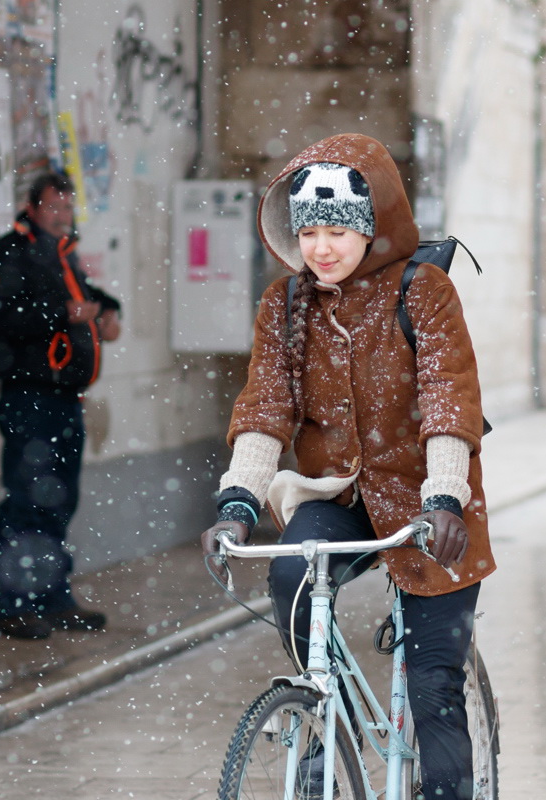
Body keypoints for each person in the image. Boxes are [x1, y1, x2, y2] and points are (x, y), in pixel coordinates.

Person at [199, 133, 496, 800]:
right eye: (309, 232)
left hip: (427, 501)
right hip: (336, 491)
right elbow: (264, 408)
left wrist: (446, 497)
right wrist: (237, 505)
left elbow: (449, 400)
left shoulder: (424, 293)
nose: (321, 248)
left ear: (373, 229)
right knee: (291, 577)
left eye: (337, 229)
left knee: (434, 687)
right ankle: (321, 716)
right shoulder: (284, 304)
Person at [0, 172, 122, 640]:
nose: (62, 217)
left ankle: (53, 597)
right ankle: (14, 604)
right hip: (28, 396)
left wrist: (108, 308)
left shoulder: (64, 254)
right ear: (32, 208)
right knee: (26, 499)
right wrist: (60, 315)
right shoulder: (12, 251)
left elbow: (84, 298)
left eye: (67, 208)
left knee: (59, 499)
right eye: (53, 208)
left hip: (64, 398)